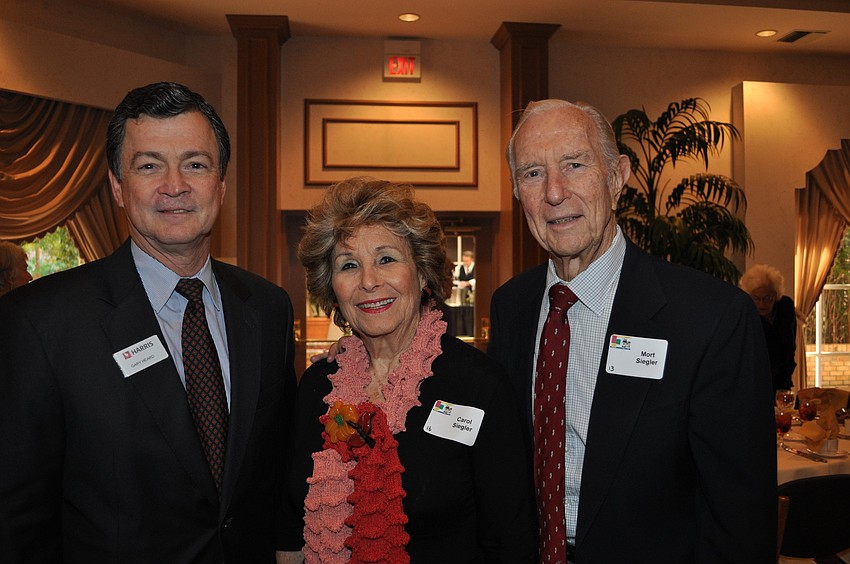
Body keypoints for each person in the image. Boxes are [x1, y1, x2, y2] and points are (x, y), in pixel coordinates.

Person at [0, 82, 297, 562]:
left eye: (195, 164)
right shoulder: (39, 322)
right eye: (149, 165)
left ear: (220, 184)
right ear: (118, 186)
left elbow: (276, 470)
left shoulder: (267, 309)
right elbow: (17, 518)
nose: (174, 185)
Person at [487, 99, 776, 562]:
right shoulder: (511, 307)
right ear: (518, 191)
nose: (555, 193)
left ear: (617, 176)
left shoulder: (711, 319)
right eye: (532, 173)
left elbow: (740, 519)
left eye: (574, 165)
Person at [281, 177, 536, 562]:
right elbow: (289, 523)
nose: (369, 281)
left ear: (421, 273)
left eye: (386, 259)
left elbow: (511, 541)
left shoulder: (479, 385)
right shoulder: (318, 386)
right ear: (332, 288)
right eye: (349, 265)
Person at [740, 263, 797, 391]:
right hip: (756, 380)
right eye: (756, 298)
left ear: (776, 294)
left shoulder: (785, 307)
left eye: (767, 298)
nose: (762, 304)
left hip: (783, 377)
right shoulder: (746, 313)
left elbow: (790, 345)